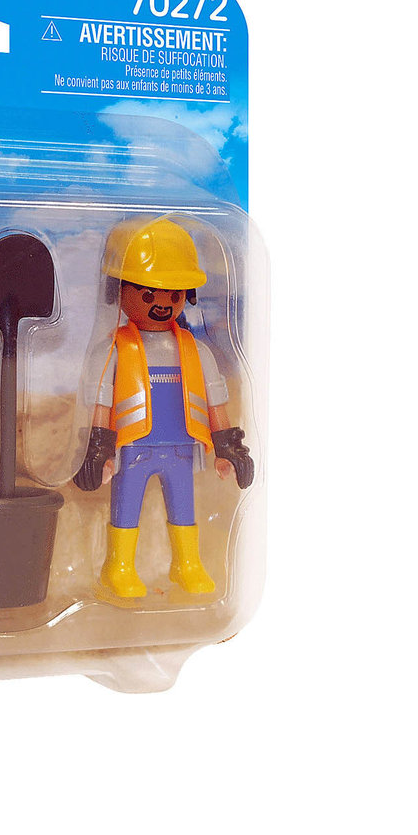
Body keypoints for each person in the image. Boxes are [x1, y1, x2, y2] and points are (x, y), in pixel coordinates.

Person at [74, 218, 253, 598]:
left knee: (184, 508)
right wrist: (99, 448)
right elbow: (101, 400)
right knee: (126, 508)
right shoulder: (114, 349)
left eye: (173, 295)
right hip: (132, 448)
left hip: (181, 448)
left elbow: (215, 400)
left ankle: (187, 564)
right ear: (119, 290)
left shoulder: (196, 351)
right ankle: (118, 567)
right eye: (147, 293)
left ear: (187, 295)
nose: (161, 304)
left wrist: (227, 447)